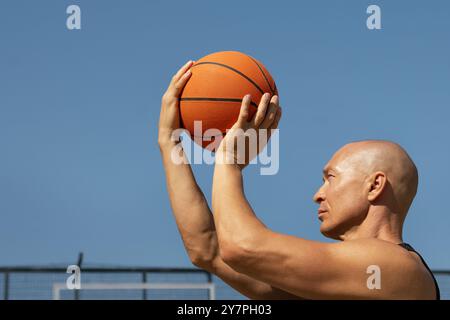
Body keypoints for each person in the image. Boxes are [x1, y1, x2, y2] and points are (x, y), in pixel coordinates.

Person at [157, 61, 440, 299]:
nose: (318, 194)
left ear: (375, 186)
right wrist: (170, 144)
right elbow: (208, 249)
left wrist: (229, 162)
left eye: (331, 178)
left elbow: (241, 247)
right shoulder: (339, 282)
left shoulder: (395, 267)